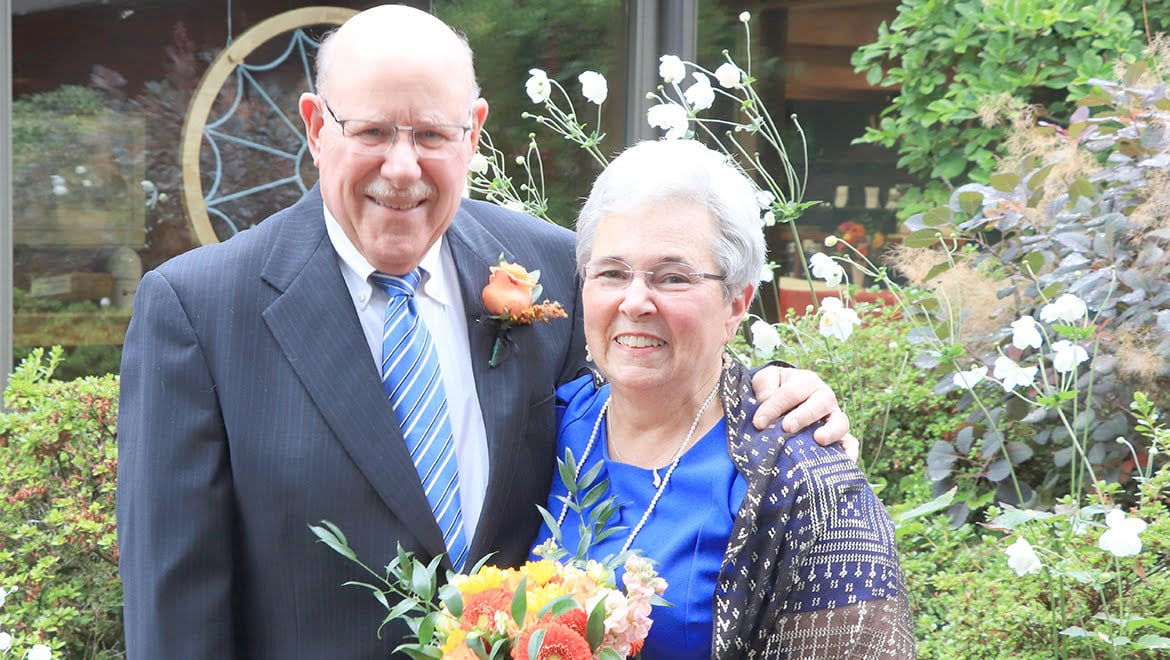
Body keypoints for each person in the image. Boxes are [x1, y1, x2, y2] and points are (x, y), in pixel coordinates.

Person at [115, 5, 850, 658]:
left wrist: (769, 395)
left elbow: (650, 394)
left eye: (432, 134)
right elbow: (174, 612)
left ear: (473, 135)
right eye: (371, 131)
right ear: (315, 126)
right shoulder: (200, 311)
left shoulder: (554, 266)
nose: (401, 169)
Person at [532, 139, 914, 659]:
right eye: (612, 273)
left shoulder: (805, 479)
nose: (635, 301)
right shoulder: (542, 425)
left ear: (736, 302)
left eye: (673, 277)